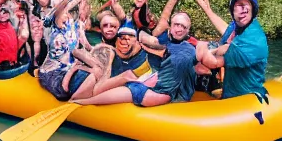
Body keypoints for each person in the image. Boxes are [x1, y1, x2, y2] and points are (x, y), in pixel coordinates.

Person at [72, 16, 202, 107]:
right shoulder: (164, 43)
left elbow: (202, 65)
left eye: (183, 26)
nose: (179, 29)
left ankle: (85, 102)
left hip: (160, 92)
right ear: (171, 27)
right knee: (130, 83)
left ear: (188, 30)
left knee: (132, 84)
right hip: (152, 85)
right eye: (176, 25)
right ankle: (84, 102)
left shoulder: (190, 49)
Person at [196, 0, 268, 99]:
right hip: (231, 92)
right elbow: (226, 30)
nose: (243, 8)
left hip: (247, 97)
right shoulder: (236, 27)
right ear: (232, 13)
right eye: (239, 5)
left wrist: (202, 48)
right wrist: (208, 10)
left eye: (247, 5)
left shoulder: (255, 40)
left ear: (253, 11)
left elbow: (213, 62)